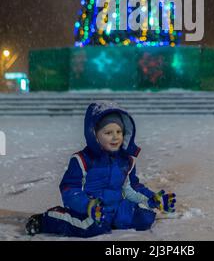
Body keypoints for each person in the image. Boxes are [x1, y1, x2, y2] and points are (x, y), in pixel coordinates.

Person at [25, 101, 176, 238]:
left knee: (145, 218)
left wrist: (152, 199)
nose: (115, 137)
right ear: (94, 135)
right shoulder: (82, 160)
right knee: (91, 227)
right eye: (108, 133)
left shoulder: (126, 160)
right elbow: (70, 189)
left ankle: (111, 220)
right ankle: (48, 219)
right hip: (90, 208)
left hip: (116, 207)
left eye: (119, 132)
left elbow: (131, 188)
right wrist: (87, 205)